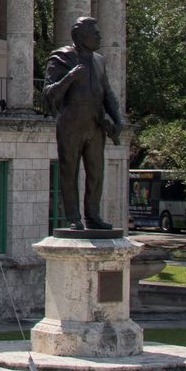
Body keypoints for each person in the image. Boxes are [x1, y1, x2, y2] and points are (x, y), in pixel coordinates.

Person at [42, 15, 126, 231]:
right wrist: (70, 77)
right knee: (69, 171)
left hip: (95, 121)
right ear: (81, 36)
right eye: (95, 33)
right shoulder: (61, 57)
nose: (99, 36)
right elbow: (49, 93)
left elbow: (107, 93)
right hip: (71, 121)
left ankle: (93, 215)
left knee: (96, 171)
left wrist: (117, 120)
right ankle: (73, 218)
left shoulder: (99, 60)